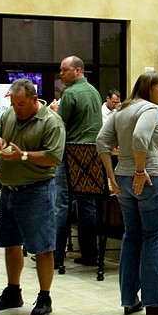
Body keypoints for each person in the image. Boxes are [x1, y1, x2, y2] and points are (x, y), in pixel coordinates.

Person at [96, 72, 158, 315]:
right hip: (150, 177)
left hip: (122, 178)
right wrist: (141, 171)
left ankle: (129, 299)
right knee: (153, 238)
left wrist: (111, 175)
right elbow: (140, 138)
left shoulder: (120, 110)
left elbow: (102, 141)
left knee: (131, 236)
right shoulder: (150, 109)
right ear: (149, 89)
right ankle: (154, 301)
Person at [0, 79, 66, 315]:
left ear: (34, 100)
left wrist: (22, 156)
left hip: (36, 191)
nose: (17, 108)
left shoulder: (51, 122)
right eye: (13, 103)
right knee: (10, 244)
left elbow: (53, 157)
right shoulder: (11, 114)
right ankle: (13, 291)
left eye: (21, 104)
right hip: (9, 190)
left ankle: (45, 296)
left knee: (42, 247)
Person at [54, 56, 103, 268]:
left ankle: (55, 256)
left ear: (77, 70)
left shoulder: (70, 94)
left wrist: (53, 113)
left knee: (62, 204)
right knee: (87, 206)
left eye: (64, 70)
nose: (61, 74)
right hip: (92, 154)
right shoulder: (94, 92)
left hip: (71, 153)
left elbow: (60, 126)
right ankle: (90, 254)